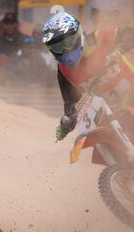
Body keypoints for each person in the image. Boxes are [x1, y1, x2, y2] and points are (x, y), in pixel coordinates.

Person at [42, 12, 134, 141]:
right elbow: (71, 103)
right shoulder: (64, 71)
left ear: (78, 35)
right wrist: (67, 122)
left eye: (68, 42)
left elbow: (127, 33)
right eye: (57, 47)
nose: (64, 51)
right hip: (110, 116)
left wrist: (123, 45)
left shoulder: (98, 39)